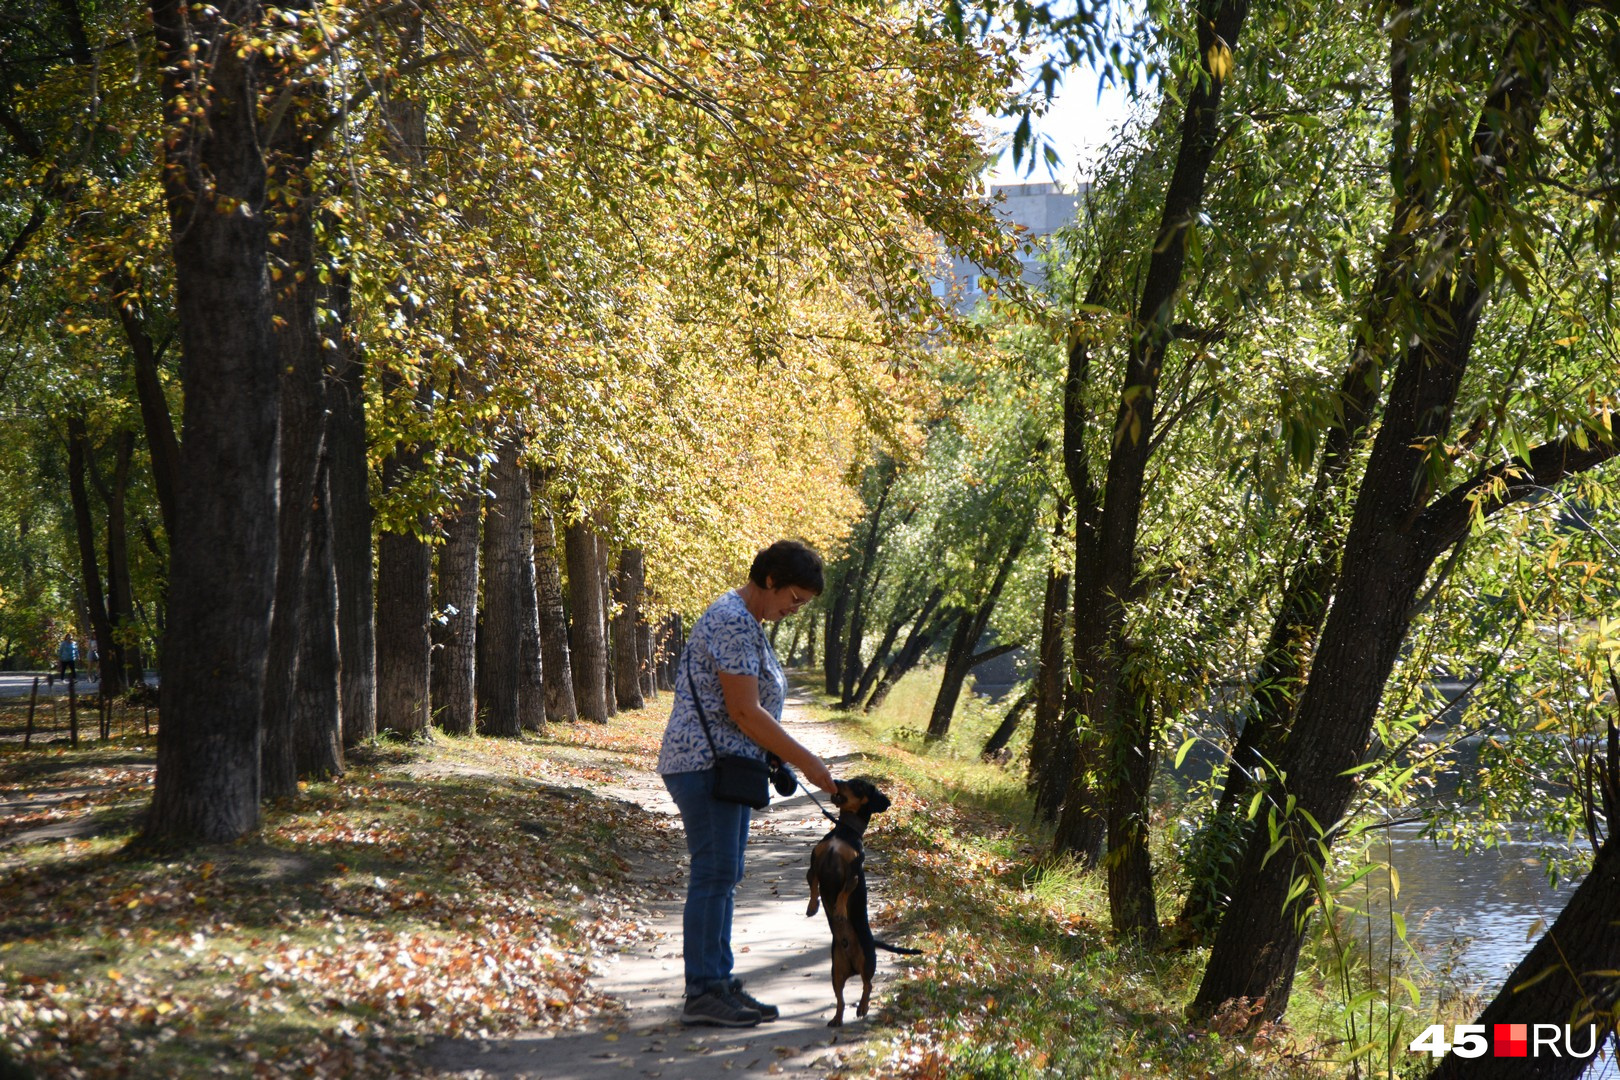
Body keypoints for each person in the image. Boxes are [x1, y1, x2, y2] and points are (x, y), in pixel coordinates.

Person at [657, 539, 838, 1028]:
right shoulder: (735, 619)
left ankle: (719, 981)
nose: (793, 610)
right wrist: (806, 762)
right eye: (794, 599)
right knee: (714, 874)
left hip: (725, 767)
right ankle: (703, 990)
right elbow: (743, 710)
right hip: (705, 765)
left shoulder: (747, 621)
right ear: (771, 579)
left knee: (724, 875)